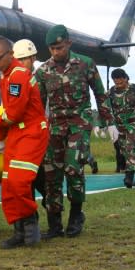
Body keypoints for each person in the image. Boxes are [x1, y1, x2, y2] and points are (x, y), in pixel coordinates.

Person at [35, 25, 115, 239]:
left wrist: (108, 121)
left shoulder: (85, 64)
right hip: (55, 126)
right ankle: (54, 224)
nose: (55, 52)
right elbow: (38, 103)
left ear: (69, 44)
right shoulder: (43, 71)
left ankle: (76, 215)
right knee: (51, 173)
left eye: (59, 47)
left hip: (79, 123)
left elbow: (100, 93)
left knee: (73, 168)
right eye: (52, 49)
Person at [0, 38, 49, 249]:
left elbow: (13, 113)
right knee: (8, 184)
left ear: (10, 54)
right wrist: (2, 137)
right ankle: (19, 230)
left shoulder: (18, 76)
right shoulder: (5, 77)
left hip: (30, 132)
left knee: (19, 181)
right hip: (16, 133)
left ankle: (30, 224)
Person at [108, 69, 135, 188]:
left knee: (129, 147)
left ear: (125, 78)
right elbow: (106, 108)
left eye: (120, 79)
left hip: (134, 124)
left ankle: (129, 176)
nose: (118, 82)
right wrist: (104, 125)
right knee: (125, 151)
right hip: (119, 126)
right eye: (115, 80)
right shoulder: (111, 92)